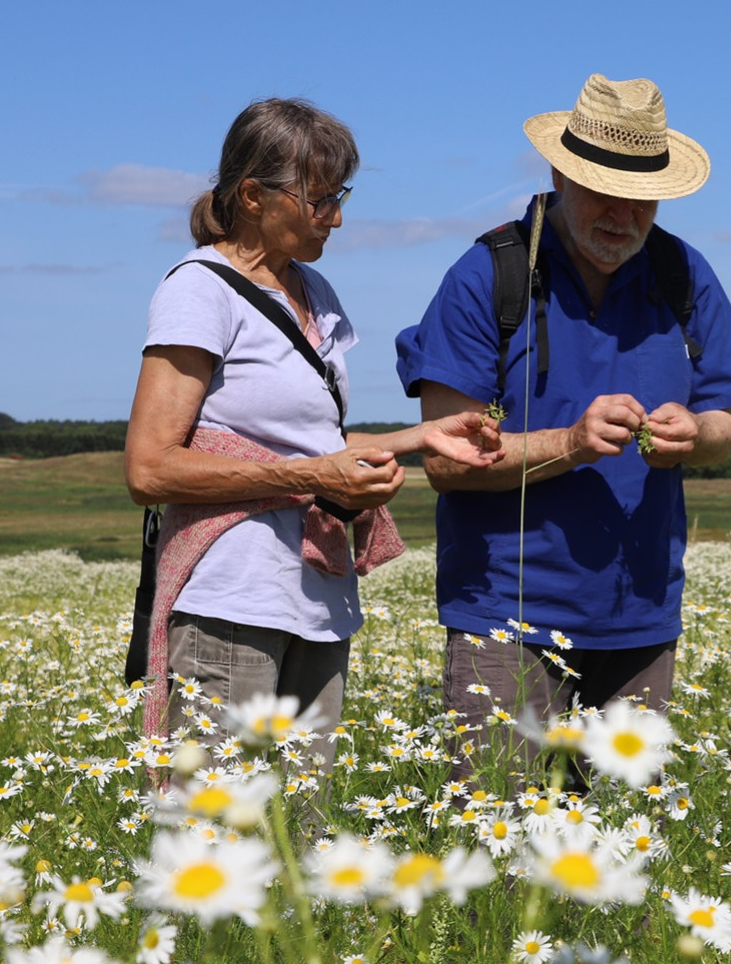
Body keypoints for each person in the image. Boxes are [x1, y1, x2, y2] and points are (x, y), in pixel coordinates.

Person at [395, 74, 731, 789]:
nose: (623, 216)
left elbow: (725, 422)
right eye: (603, 190)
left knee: (625, 855)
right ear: (561, 172)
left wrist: (697, 431)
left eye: (642, 197)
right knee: (501, 855)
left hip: (643, 622)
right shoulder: (488, 276)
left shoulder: (681, 271)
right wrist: (570, 442)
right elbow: (443, 455)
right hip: (509, 618)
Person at [124, 98, 501, 780]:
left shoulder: (315, 290)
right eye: (319, 199)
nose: (336, 217)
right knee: (212, 837)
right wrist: (316, 479)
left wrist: (423, 435)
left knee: (301, 833)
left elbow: (312, 440)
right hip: (231, 601)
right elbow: (150, 468)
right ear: (251, 196)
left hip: (316, 601)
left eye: (339, 196)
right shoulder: (199, 290)